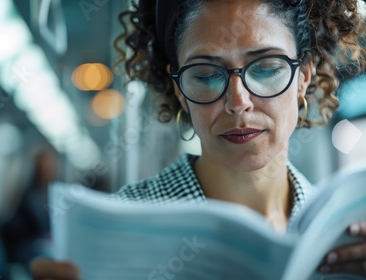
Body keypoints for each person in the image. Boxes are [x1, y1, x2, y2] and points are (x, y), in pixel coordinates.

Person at [30, 0, 366, 278]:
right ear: (180, 91)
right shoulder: (114, 232)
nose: (238, 102)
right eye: (205, 75)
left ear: (302, 78)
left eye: (265, 68)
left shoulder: (346, 234)